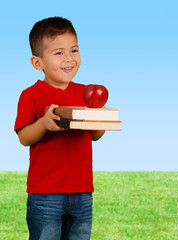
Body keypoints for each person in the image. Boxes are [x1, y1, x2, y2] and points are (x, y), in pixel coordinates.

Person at [14, 16, 105, 240]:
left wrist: (100, 117)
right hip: (45, 192)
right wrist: (44, 123)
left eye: (74, 50)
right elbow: (24, 138)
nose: (69, 59)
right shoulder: (31, 95)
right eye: (59, 53)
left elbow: (95, 136)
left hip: (82, 190)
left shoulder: (86, 93)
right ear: (38, 63)